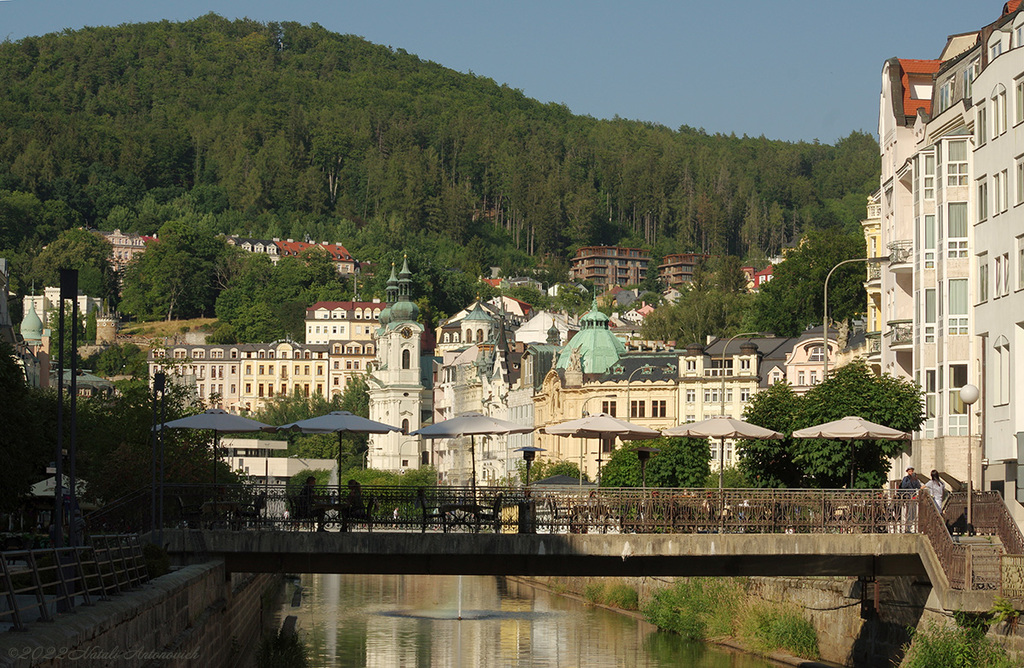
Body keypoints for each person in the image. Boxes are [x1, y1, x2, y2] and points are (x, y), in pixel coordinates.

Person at [899, 466, 921, 532]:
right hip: (907, 496)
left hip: (913, 497)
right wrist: (909, 481)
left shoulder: (915, 479)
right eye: (909, 471)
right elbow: (903, 486)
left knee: (913, 513)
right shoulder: (906, 478)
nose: (911, 472)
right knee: (908, 512)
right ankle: (907, 527)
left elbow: (918, 486)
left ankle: (910, 526)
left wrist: (915, 480)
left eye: (911, 471)